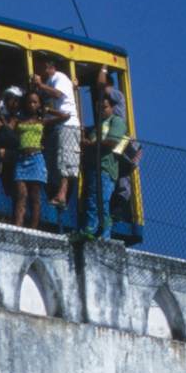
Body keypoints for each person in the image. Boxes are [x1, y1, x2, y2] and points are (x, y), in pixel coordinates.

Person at [31, 56, 81, 225]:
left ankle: (62, 195)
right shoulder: (54, 80)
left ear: (47, 66)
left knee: (66, 160)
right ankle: (58, 194)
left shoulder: (59, 77)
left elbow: (59, 94)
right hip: (59, 125)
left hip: (69, 124)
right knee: (58, 161)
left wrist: (40, 85)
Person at [81, 65, 127, 240]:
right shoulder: (99, 126)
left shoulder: (116, 117)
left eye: (104, 106)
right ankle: (91, 230)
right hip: (96, 166)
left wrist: (103, 67)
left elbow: (111, 141)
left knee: (103, 200)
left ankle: (105, 234)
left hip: (108, 165)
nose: (101, 108)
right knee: (93, 200)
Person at [11, 90, 48, 229]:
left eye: (35, 102)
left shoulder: (42, 121)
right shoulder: (19, 121)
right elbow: (9, 130)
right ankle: (18, 225)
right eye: (29, 102)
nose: (32, 105)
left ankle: (34, 228)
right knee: (22, 194)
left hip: (36, 158)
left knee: (35, 196)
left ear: (39, 104)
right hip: (22, 159)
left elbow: (64, 116)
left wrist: (47, 110)